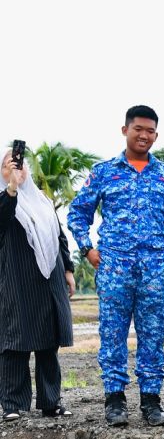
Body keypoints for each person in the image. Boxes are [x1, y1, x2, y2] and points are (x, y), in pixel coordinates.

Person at [68, 105, 164, 426]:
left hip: (155, 271)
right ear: (125, 130)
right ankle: (115, 401)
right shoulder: (104, 171)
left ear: (156, 134)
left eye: (151, 131)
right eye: (139, 129)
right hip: (114, 270)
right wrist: (86, 249)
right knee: (112, 334)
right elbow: (78, 212)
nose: (145, 136)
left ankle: (151, 402)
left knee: (153, 334)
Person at [1, 149, 75, 421]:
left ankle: (51, 402)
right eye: (9, 164)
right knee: (14, 343)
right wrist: (11, 188)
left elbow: (59, 235)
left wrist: (68, 269)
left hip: (49, 279)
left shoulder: (42, 201)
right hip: (16, 281)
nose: (17, 168)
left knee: (48, 342)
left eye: (20, 165)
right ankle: (12, 405)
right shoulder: (3, 199)